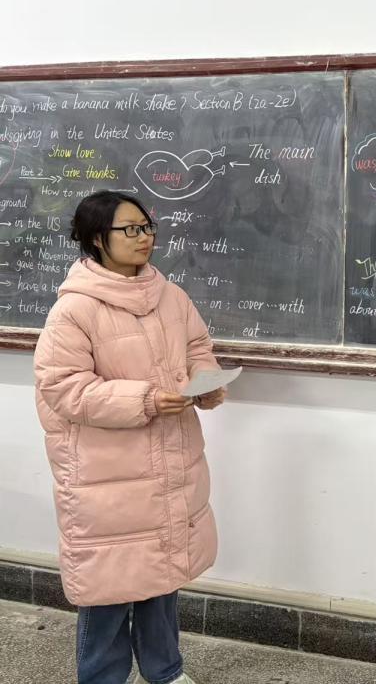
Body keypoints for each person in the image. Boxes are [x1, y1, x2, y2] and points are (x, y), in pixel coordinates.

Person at [33, 190, 225, 684]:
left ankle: (166, 672)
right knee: (109, 588)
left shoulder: (170, 296)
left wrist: (205, 382)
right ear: (98, 239)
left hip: (169, 463)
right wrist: (144, 399)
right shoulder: (74, 310)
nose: (145, 238)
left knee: (162, 579)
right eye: (131, 229)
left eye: (147, 227)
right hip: (109, 475)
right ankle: (102, 678)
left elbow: (198, 347)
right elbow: (63, 388)